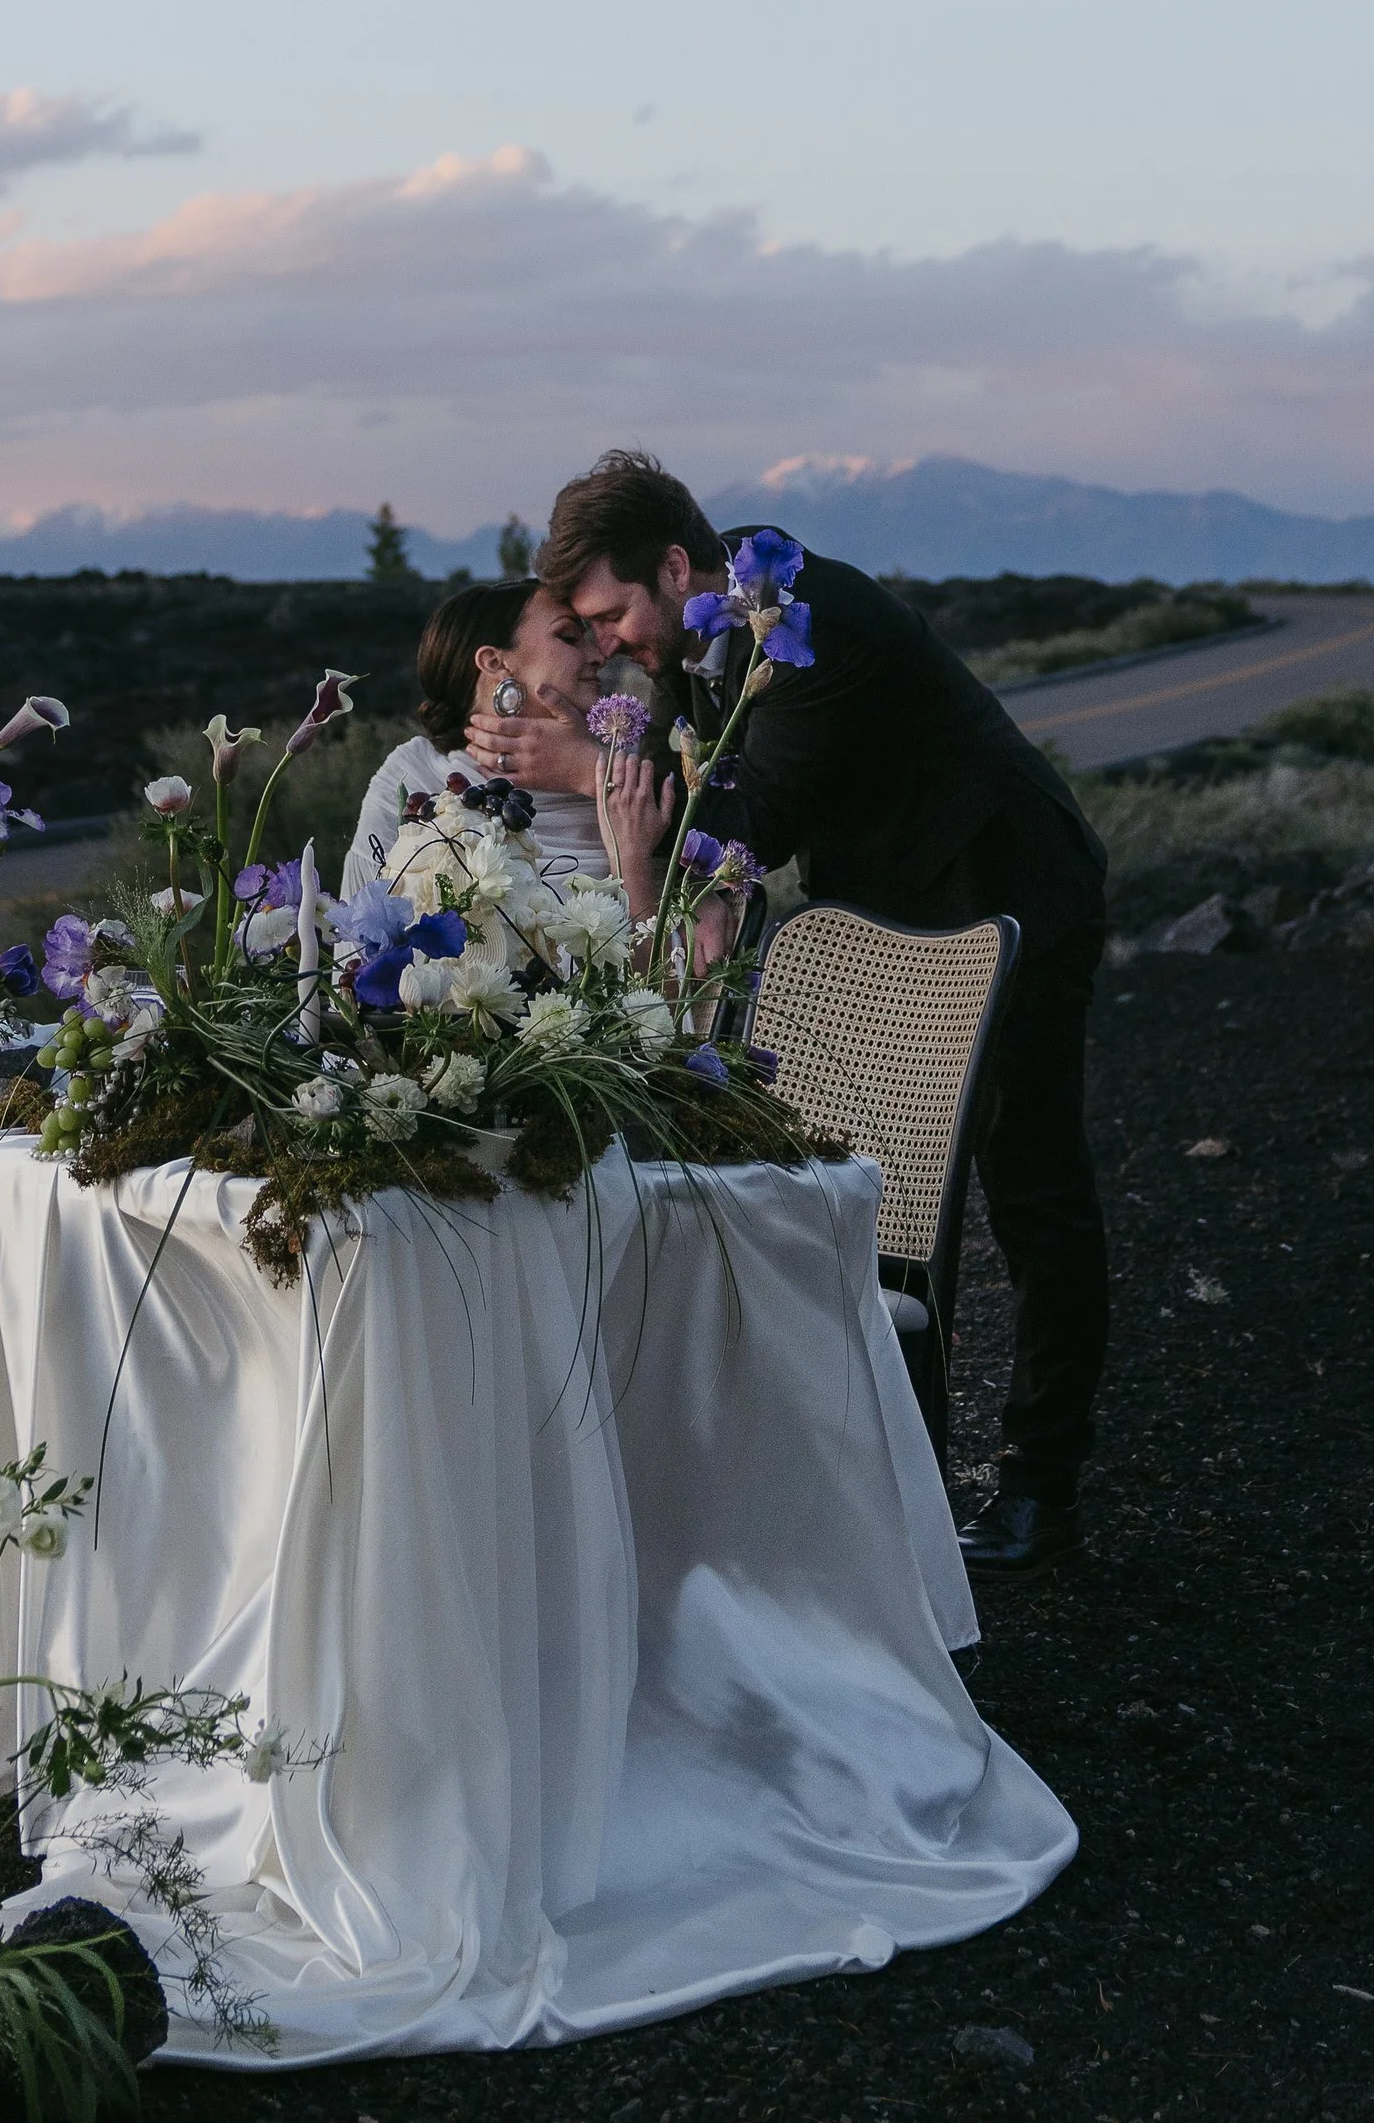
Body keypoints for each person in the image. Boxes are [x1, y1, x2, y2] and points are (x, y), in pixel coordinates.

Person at [493, 450, 1111, 1573]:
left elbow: (751, 820)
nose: (616, 644)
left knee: (1031, 1188)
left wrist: (589, 766)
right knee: (870, 1198)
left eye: (616, 612)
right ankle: (900, 1489)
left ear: (676, 567)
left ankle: (1038, 1492)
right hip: (880, 924)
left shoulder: (811, 615)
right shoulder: (694, 644)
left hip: (1006, 890)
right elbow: (720, 835)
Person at [344, 574, 677, 925]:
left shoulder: (630, 775)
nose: (598, 655)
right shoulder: (411, 776)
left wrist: (592, 773)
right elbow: (358, 948)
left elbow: (666, 971)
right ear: (494, 662)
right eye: (568, 637)